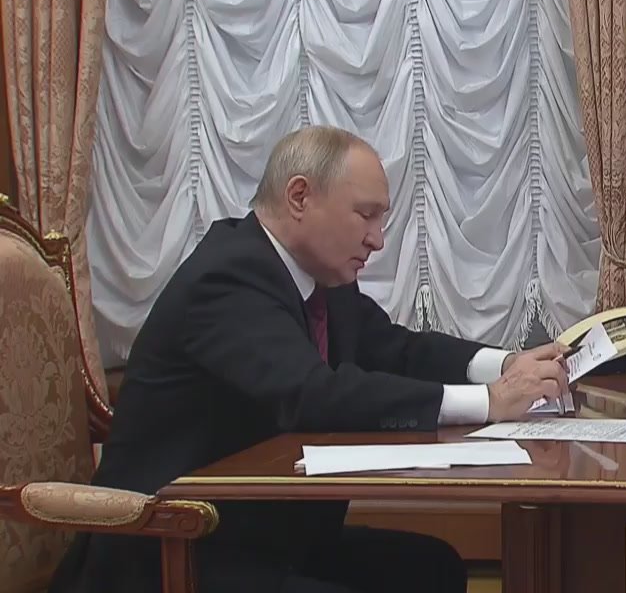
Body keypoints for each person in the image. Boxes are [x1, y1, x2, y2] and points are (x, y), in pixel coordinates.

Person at [50, 126, 571, 593]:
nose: (377, 239)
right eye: (365, 214)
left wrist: (505, 365)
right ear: (300, 196)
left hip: (260, 535)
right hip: (171, 549)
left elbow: (398, 349)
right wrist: (489, 403)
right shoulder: (228, 276)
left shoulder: (320, 278)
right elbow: (311, 393)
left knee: (432, 568)